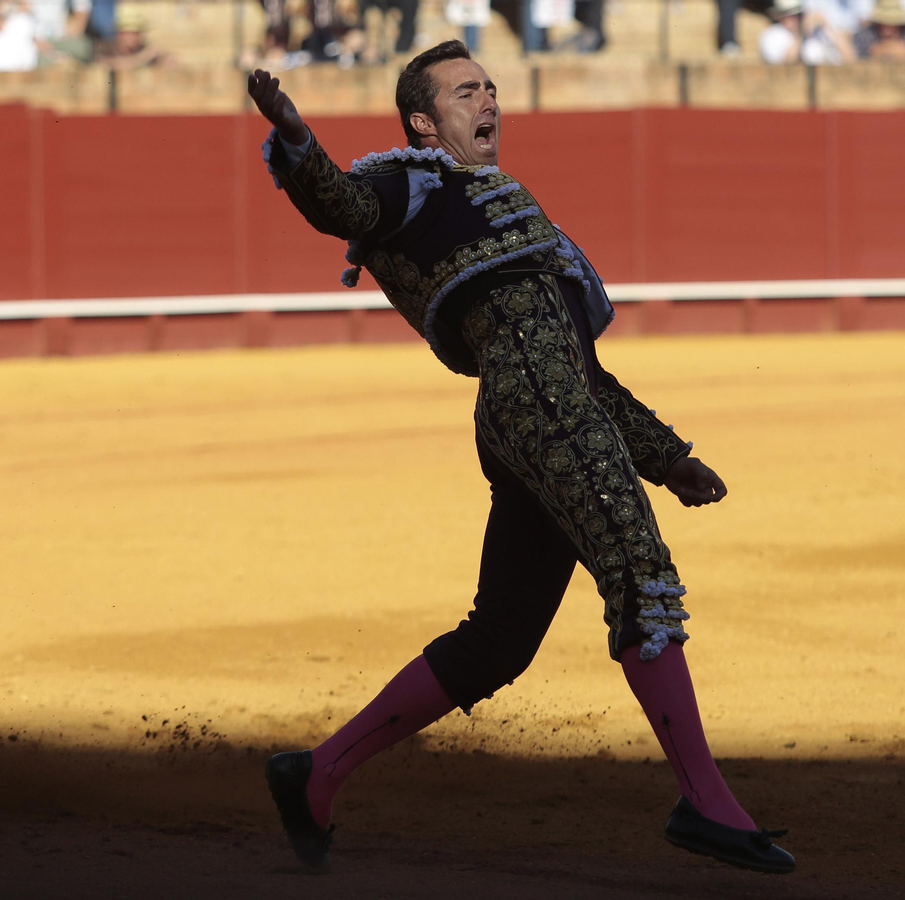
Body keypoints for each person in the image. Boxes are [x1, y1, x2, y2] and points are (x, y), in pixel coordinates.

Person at [247, 41, 796, 875]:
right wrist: (294, 138)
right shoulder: (410, 181)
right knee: (638, 569)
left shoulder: (498, 197)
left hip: (539, 405)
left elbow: (580, 365)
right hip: (533, 403)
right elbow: (341, 203)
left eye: (491, 88)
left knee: (499, 639)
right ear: (425, 122)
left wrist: (668, 455)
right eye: (467, 92)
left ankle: (316, 774)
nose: (488, 101)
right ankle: (706, 801)